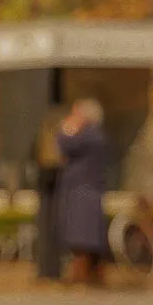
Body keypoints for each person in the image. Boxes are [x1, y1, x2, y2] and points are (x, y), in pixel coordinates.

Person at [56, 98, 110, 288]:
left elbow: (65, 144)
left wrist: (67, 129)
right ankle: (88, 275)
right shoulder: (94, 135)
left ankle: (84, 276)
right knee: (85, 236)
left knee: (83, 236)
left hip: (84, 192)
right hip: (86, 190)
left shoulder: (89, 135)